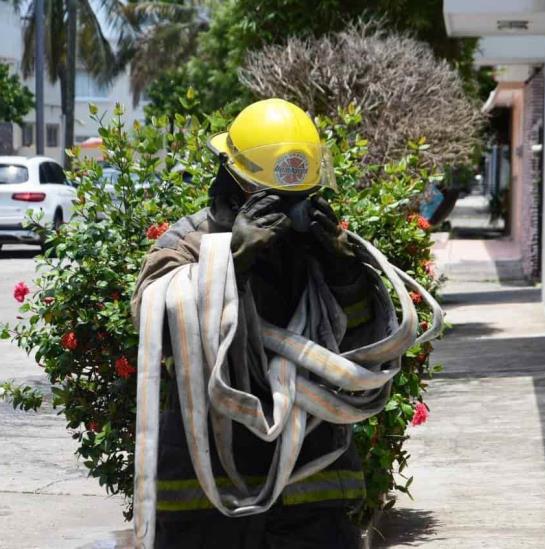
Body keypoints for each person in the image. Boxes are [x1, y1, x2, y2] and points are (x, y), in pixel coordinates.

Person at [131, 99, 381, 548]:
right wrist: (231, 263)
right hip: (206, 494)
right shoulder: (188, 243)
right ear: (235, 183)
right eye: (274, 198)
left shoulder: (321, 250)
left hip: (313, 488)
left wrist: (345, 271)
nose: (292, 211)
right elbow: (158, 333)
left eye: (302, 199)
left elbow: (365, 344)